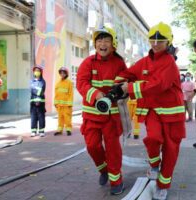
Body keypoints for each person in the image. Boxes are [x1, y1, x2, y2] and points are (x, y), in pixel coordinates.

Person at [117, 22, 186, 200]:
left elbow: (159, 85)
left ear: (168, 42)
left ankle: (163, 185)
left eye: (160, 40)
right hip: (153, 110)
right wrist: (118, 83)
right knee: (153, 138)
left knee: (171, 149)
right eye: (152, 40)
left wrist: (130, 87)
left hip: (172, 113)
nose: (155, 43)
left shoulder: (170, 62)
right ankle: (154, 165)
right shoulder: (145, 61)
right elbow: (129, 73)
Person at [76, 26, 126, 195]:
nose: (102, 44)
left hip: (111, 116)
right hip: (91, 116)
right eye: (99, 41)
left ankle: (116, 180)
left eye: (106, 41)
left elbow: (124, 82)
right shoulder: (88, 63)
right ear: (95, 44)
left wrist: (117, 91)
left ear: (113, 45)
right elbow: (81, 83)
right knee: (92, 146)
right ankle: (103, 169)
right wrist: (97, 95)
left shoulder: (119, 63)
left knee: (113, 149)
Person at [53, 67, 73, 136]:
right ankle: (59, 130)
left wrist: (70, 103)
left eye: (63, 73)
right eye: (61, 73)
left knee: (67, 118)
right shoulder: (58, 83)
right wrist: (55, 103)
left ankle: (68, 130)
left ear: (66, 74)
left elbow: (71, 93)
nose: (62, 74)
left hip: (67, 105)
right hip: (59, 105)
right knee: (60, 118)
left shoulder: (69, 83)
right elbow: (56, 94)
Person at [30, 65, 46, 137]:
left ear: (41, 72)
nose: (36, 72)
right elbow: (31, 90)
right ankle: (33, 130)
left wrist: (38, 98)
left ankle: (41, 131)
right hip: (33, 102)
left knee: (41, 116)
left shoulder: (42, 81)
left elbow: (41, 90)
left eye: (38, 71)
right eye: (35, 70)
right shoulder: (31, 81)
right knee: (33, 117)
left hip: (41, 102)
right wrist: (36, 96)